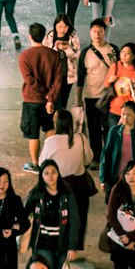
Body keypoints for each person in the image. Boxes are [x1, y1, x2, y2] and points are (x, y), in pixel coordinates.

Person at [40, 110, 94, 252]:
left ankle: (62, 253)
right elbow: (89, 159)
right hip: (80, 186)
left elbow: (42, 164)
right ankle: (74, 250)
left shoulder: (50, 142)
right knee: (78, 220)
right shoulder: (81, 138)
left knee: (61, 221)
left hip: (59, 187)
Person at [22, 161, 80, 269]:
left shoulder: (67, 194)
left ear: (58, 173)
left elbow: (75, 220)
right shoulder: (36, 194)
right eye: (46, 173)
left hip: (61, 245)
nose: (50, 176)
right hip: (42, 244)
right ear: (41, 176)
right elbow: (23, 214)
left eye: (54, 172)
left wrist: (72, 246)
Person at [19, 22, 63, 169]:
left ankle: (35, 163)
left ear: (30, 37)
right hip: (50, 101)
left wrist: (42, 94)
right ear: (44, 37)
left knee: (33, 134)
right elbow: (58, 80)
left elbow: (29, 80)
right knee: (49, 128)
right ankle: (49, 160)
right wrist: (50, 98)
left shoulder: (25, 56)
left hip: (31, 99)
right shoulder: (53, 54)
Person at [79, 18, 116, 160]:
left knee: (109, 128)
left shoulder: (113, 49)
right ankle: (96, 157)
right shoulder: (86, 53)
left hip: (109, 96)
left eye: (100, 31)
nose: (97, 34)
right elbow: (80, 77)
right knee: (93, 129)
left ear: (104, 32)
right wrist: (78, 100)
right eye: (94, 31)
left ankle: (107, 157)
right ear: (90, 33)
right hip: (91, 96)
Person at [100, 98, 135, 191]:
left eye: (128, 115)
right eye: (123, 114)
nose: (125, 117)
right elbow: (105, 156)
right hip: (116, 180)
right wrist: (103, 179)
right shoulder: (114, 132)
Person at [44, 14, 82, 109]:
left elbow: (77, 56)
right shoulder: (50, 36)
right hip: (53, 76)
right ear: (55, 26)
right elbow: (46, 55)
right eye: (60, 26)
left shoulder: (73, 37)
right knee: (55, 101)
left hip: (67, 76)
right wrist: (56, 48)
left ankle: (60, 119)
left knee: (64, 101)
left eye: (65, 26)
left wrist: (67, 49)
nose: (62, 29)